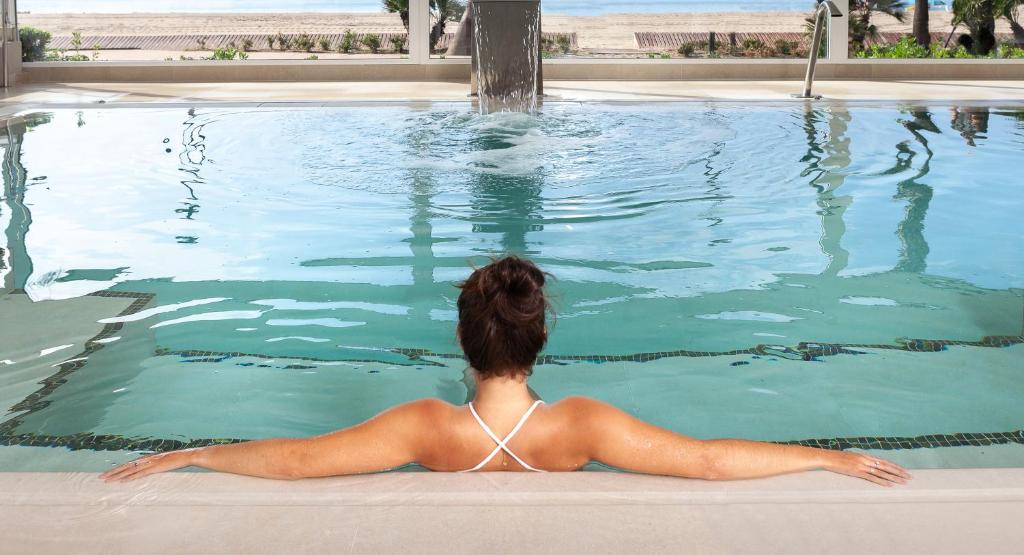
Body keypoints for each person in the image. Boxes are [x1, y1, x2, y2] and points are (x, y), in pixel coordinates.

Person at [102, 257, 910, 486]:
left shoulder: (427, 427)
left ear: (463, 340)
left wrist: (196, 452)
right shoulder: (580, 425)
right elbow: (701, 458)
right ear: (538, 342)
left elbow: (302, 458)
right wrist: (824, 454)